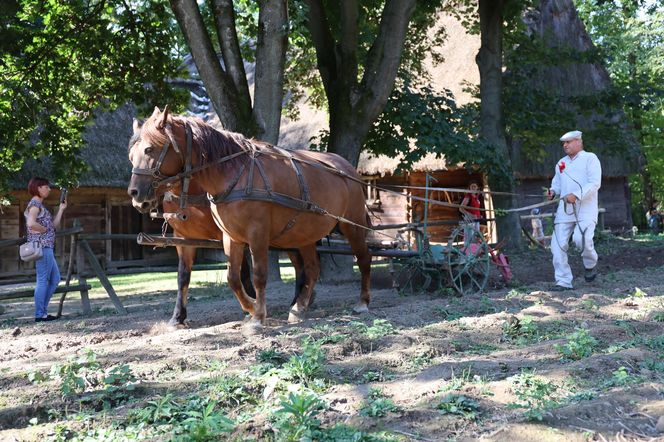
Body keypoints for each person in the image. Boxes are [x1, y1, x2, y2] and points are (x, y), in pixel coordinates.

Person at [546, 130, 601, 291]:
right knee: (557, 246)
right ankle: (563, 281)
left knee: (580, 239)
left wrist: (576, 195)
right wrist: (552, 192)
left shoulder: (590, 158)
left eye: (568, 142)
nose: (565, 145)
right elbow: (556, 184)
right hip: (564, 211)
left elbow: (594, 183)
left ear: (579, 142)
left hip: (586, 210)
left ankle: (590, 264)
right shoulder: (561, 163)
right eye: (564, 143)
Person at [24, 177, 67, 322]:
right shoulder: (35, 204)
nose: (49, 189)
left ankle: (42, 311)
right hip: (42, 247)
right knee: (43, 280)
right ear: (38, 188)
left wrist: (61, 209)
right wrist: (43, 230)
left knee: (55, 279)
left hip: (47, 247)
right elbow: (31, 223)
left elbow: (53, 226)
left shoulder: (40, 206)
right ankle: (40, 314)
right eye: (46, 187)